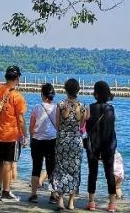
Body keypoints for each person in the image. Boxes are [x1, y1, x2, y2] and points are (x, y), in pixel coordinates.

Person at [0, 65, 27, 201]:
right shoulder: (17, 96)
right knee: (8, 163)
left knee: (0, 162)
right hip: (12, 134)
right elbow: (21, 119)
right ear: (17, 78)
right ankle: (6, 191)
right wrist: (25, 135)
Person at [52, 78, 86, 211]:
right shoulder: (82, 106)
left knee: (60, 168)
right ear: (78, 90)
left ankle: (60, 200)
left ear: (65, 90)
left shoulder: (60, 105)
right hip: (76, 141)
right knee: (75, 170)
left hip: (62, 140)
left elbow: (57, 125)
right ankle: (71, 202)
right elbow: (82, 126)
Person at [86, 81, 118, 212]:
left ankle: (91, 202)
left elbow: (87, 128)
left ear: (96, 93)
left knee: (92, 172)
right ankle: (111, 204)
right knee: (109, 173)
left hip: (93, 144)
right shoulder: (111, 109)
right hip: (108, 144)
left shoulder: (89, 107)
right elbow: (112, 128)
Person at [29, 83, 59, 203]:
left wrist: (31, 138)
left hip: (37, 141)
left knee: (36, 168)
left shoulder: (37, 107)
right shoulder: (57, 108)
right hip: (52, 141)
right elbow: (58, 125)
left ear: (42, 94)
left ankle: (34, 195)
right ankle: (53, 195)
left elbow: (31, 126)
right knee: (51, 169)